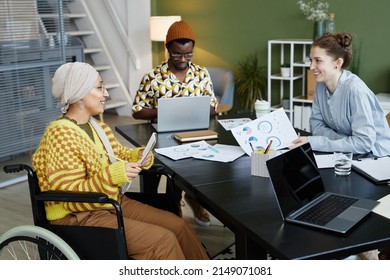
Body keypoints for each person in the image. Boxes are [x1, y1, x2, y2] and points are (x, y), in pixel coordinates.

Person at [31, 62, 209, 260]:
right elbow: (67, 191)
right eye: (99, 87)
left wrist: (138, 156)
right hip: (78, 216)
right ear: (79, 92)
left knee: (178, 225)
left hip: (108, 203)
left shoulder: (97, 126)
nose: (106, 94)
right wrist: (114, 174)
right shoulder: (60, 134)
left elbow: (118, 154)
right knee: (162, 241)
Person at [132, 20, 218, 227]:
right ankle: (174, 204)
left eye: (188, 54)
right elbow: (137, 111)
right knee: (173, 167)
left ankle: (193, 199)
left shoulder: (201, 73)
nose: (183, 59)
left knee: (204, 167)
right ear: (168, 48)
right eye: (177, 54)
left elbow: (213, 106)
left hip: (196, 133)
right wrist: (165, 111)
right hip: (164, 136)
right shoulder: (152, 77)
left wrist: (193, 108)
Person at [291, 32, 390, 157]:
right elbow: (316, 126)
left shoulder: (355, 91)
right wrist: (345, 141)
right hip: (345, 153)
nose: (311, 67)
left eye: (318, 61)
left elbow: (363, 143)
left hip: (374, 157)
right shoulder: (321, 85)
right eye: (311, 60)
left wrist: (315, 142)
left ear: (337, 63)